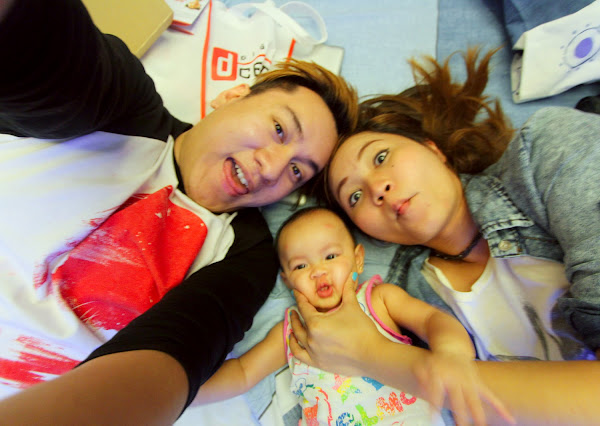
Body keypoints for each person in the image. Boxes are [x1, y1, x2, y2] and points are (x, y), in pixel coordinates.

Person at [0, 0, 357, 422]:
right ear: (232, 97)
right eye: (279, 129)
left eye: (297, 171)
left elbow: (172, 358)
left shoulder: (246, 252)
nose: (272, 167)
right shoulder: (125, 107)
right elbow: (39, 44)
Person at [288, 48, 600, 425]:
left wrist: (370, 355)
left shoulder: (550, 150)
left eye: (380, 157)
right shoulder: (408, 297)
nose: (376, 188)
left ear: (432, 149)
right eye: (354, 196)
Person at [193, 207, 512, 426]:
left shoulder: (378, 300)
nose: (318, 271)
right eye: (301, 265)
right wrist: (185, 395)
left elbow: (433, 320)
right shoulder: (293, 329)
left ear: (358, 259)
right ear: (287, 281)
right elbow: (244, 373)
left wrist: (452, 354)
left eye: (331, 256)